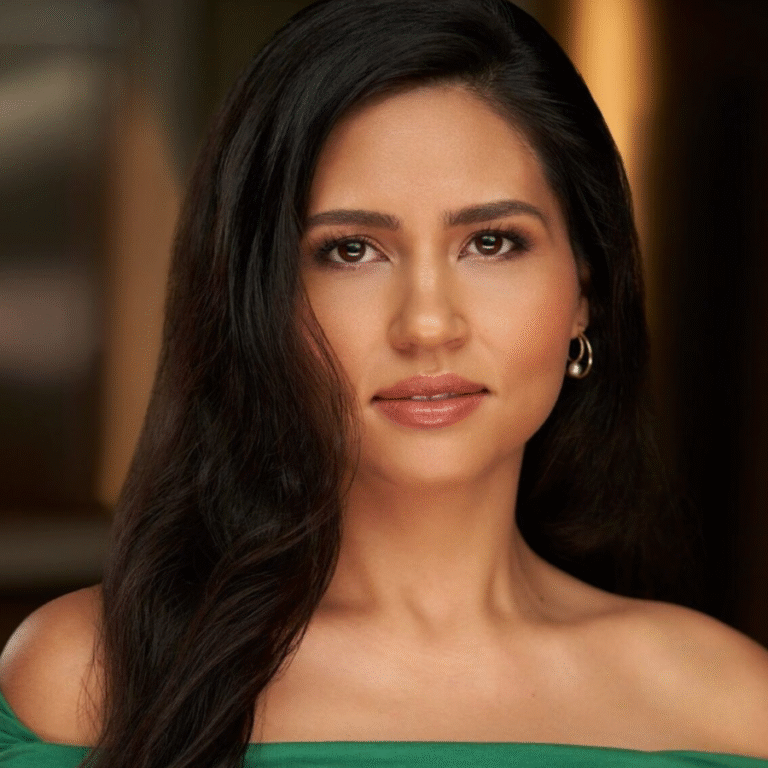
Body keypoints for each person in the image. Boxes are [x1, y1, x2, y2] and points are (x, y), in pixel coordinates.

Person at [1, 1, 768, 766]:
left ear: (584, 293)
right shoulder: (90, 679)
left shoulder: (727, 704)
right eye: (351, 250)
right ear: (256, 299)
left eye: (492, 242)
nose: (428, 324)